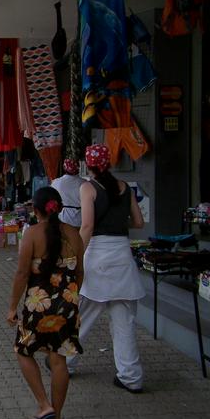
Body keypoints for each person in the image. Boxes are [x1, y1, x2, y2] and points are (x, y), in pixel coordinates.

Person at [67, 144, 146, 393]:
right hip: (122, 258)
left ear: (88, 165)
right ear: (109, 163)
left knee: (82, 318)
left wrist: (75, 256)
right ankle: (131, 377)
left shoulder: (87, 187)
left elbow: (87, 226)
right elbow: (139, 221)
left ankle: (65, 363)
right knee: (124, 324)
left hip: (97, 260)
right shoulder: (125, 188)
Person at [7, 187, 84, 419]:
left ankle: (44, 404)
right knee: (58, 358)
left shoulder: (32, 234)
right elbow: (80, 273)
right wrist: (70, 297)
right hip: (68, 305)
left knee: (23, 350)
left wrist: (12, 307)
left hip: (37, 305)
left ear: (36, 210)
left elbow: (22, 274)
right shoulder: (74, 234)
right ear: (59, 207)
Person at [51, 159, 85, 228]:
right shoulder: (84, 183)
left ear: (64, 168)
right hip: (80, 219)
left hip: (63, 218)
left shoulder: (56, 182)